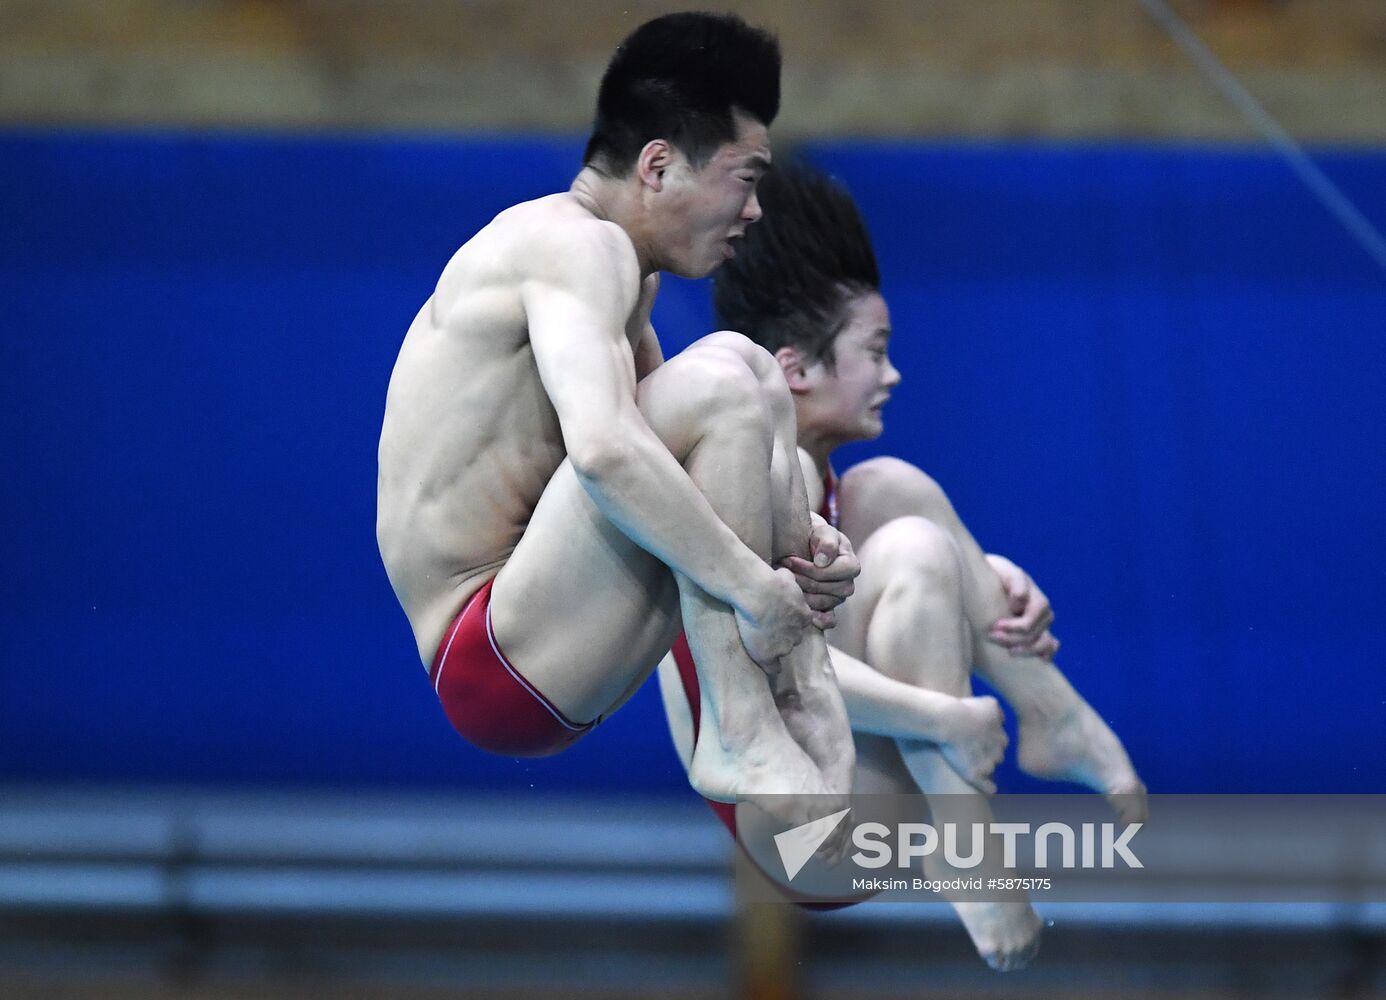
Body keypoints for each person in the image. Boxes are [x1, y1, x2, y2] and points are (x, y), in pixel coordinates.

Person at [376, 13, 861, 835]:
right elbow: (604, 454)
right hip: (488, 652)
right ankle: (741, 728)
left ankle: (796, 689)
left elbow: (691, 470)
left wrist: (808, 539)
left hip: (539, 634)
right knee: (725, 380)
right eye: (746, 180)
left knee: (751, 379)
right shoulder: (574, 247)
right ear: (659, 166)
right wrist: (752, 587)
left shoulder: (623, 296)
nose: (753, 213)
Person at [657, 160, 1147, 971]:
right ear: (795, 369)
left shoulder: (838, 490)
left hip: (853, 774)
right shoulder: (727, 496)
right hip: (799, 825)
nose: (893, 374)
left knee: (899, 500)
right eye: (874, 351)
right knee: (915, 539)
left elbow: (861, 609)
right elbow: (774, 669)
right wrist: (944, 718)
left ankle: (1053, 717)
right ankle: (972, 849)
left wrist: (979, 573)